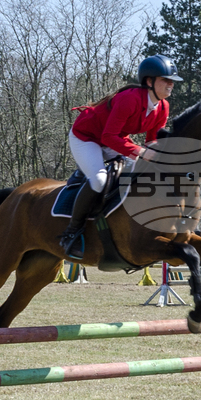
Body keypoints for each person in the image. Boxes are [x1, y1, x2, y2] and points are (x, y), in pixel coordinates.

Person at [60, 55, 182, 258]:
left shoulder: (163, 107)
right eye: (165, 80)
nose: (171, 84)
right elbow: (109, 136)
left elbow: (151, 141)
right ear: (149, 81)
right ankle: (71, 232)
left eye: (172, 81)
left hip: (114, 139)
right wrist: (141, 152)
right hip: (87, 136)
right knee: (99, 180)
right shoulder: (130, 98)